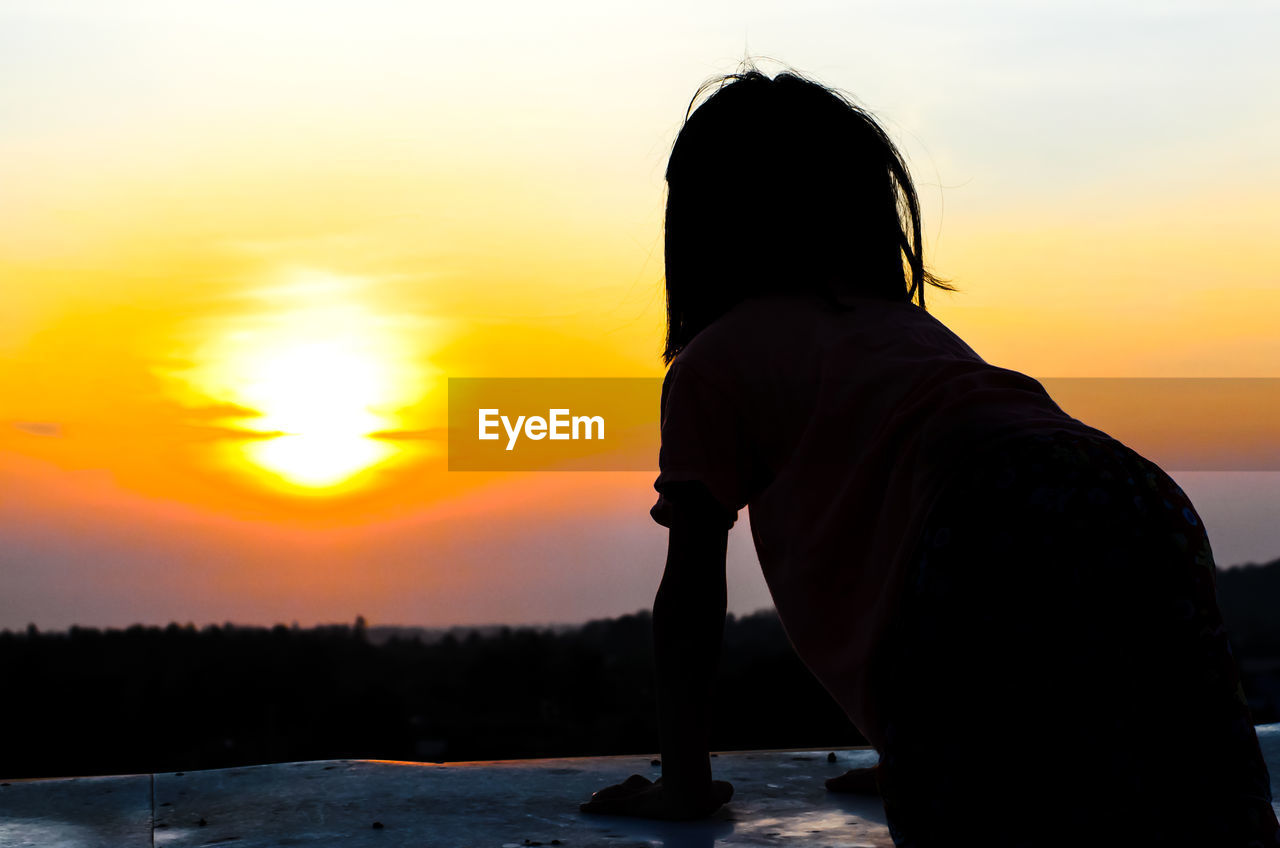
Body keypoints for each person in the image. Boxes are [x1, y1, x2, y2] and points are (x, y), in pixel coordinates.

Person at [578, 65, 1278, 846]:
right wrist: (922, 746)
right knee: (1202, 800)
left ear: (702, 227)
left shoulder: (715, 363)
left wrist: (684, 784)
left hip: (986, 515)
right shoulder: (907, 329)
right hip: (1136, 495)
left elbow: (693, 596)